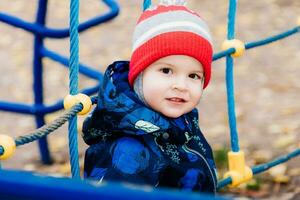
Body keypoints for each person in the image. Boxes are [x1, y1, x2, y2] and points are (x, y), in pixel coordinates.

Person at [82, 1, 217, 193]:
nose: (181, 85)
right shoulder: (129, 151)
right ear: (139, 76)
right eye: (166, 70)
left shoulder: (182, 119)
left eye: (193, 75)